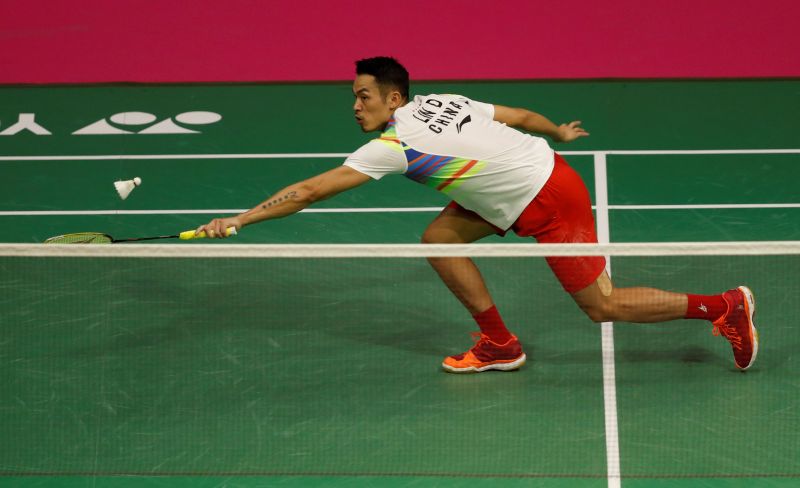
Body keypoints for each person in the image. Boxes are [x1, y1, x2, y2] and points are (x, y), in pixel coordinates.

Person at [197, 56, 758, 373]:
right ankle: (500, 344)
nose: (355, 105)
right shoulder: (444, 101)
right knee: (440, 237)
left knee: (602, 307)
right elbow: (515, 113)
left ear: (394, 98)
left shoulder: (394, 146)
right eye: (352, 96)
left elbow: (310, 191)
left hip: (545, 197)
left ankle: (724, 307)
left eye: (364, 95)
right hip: (527, 177)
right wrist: (556, 131)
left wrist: (239, 220)